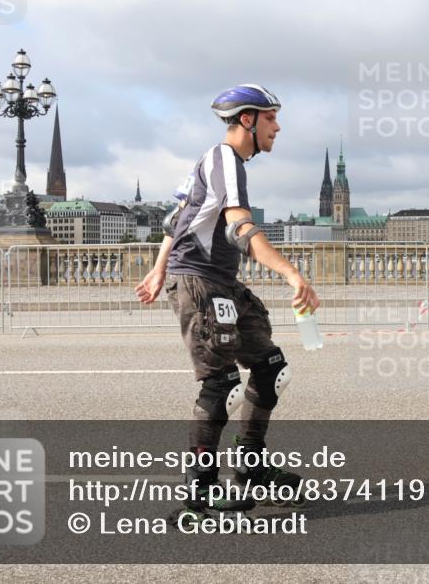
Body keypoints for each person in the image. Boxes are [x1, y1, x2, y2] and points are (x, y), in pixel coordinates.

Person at [135, 84, 320, 514]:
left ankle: (250, 468)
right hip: (200, 281)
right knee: (221, 385)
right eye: (271, 118)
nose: (278, 126)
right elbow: (241, 227)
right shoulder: (224, 159)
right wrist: (291, 272)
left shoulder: (216, 163)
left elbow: (175, 220)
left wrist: (159, 268)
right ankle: (198, 491)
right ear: (247, 120)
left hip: (219, 280)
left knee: (270, 368)